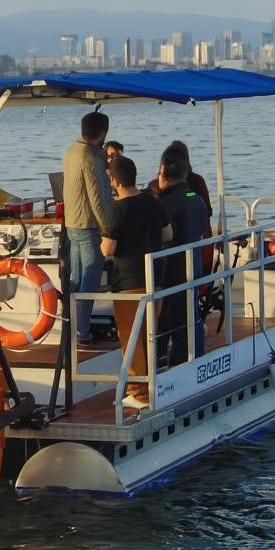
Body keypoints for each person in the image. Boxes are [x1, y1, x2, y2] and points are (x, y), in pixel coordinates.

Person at [102, 155, 171, 407]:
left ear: (114, 180)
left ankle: (137, 392)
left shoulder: (117, 209)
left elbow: (108, 248)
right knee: (148, 334)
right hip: (155, 276)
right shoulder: (152, 202)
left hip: (128, 279)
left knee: (131, 338)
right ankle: (151, 386)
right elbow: (168, 233)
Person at [61, 111, 117, 341]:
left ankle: (70, 327)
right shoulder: (91, 158)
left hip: (72, 222)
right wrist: (108, 228)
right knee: (90, 278)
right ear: (103, 132)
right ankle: (81, 330)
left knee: (75, 279)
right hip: (87, 224)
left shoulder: (72, 151)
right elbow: (97, 197)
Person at [153, 147, 209, 364]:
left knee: (171, 317)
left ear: (163, 175)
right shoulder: (195, 198)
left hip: (171, 266)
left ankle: (174, 359)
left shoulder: (165, 203)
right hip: (192, 261)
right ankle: (193, 356)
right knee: (190, 314)